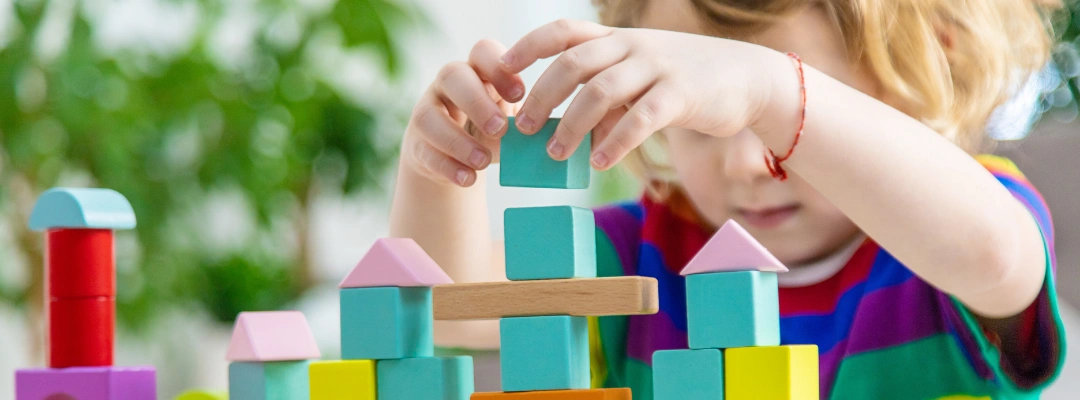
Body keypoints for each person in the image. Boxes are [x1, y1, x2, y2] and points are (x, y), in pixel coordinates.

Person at [388, 0, 1067, 398]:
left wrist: (771, 90)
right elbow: (455, 323)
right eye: (700, 115)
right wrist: (442, 164)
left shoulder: (958, 220)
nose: (746, 162)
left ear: (930, 59)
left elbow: (994, 256)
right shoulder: (632, 254)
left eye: (783, 116)